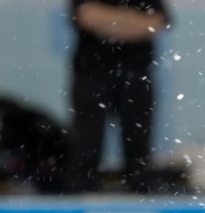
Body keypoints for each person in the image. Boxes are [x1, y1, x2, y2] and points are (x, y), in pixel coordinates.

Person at [63, 0, 170, 194]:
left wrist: (106, 21)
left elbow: (156, 22)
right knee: (86, 148)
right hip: (91, 72)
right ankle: (81, 197)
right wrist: (132, 20)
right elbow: (86, 17)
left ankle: (141, 197)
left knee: (139, 150)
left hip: (136, 73)